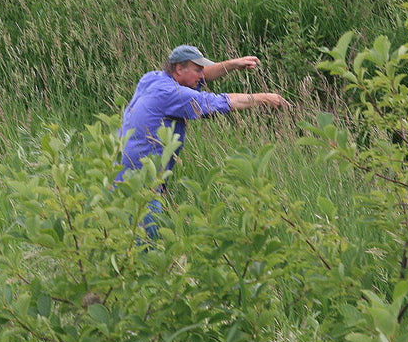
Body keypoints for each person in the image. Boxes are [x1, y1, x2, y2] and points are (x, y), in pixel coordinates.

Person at [116, 44, 290, 239]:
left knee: (126, 246)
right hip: (141, 187)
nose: (201, 75)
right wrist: (264, 98)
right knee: (146, 249)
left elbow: (203, 75)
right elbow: (220, 102)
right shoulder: (173, 94)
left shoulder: (152, 78)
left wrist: (232, 64)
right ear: (179, 68)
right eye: (197, 69)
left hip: (121, 177)